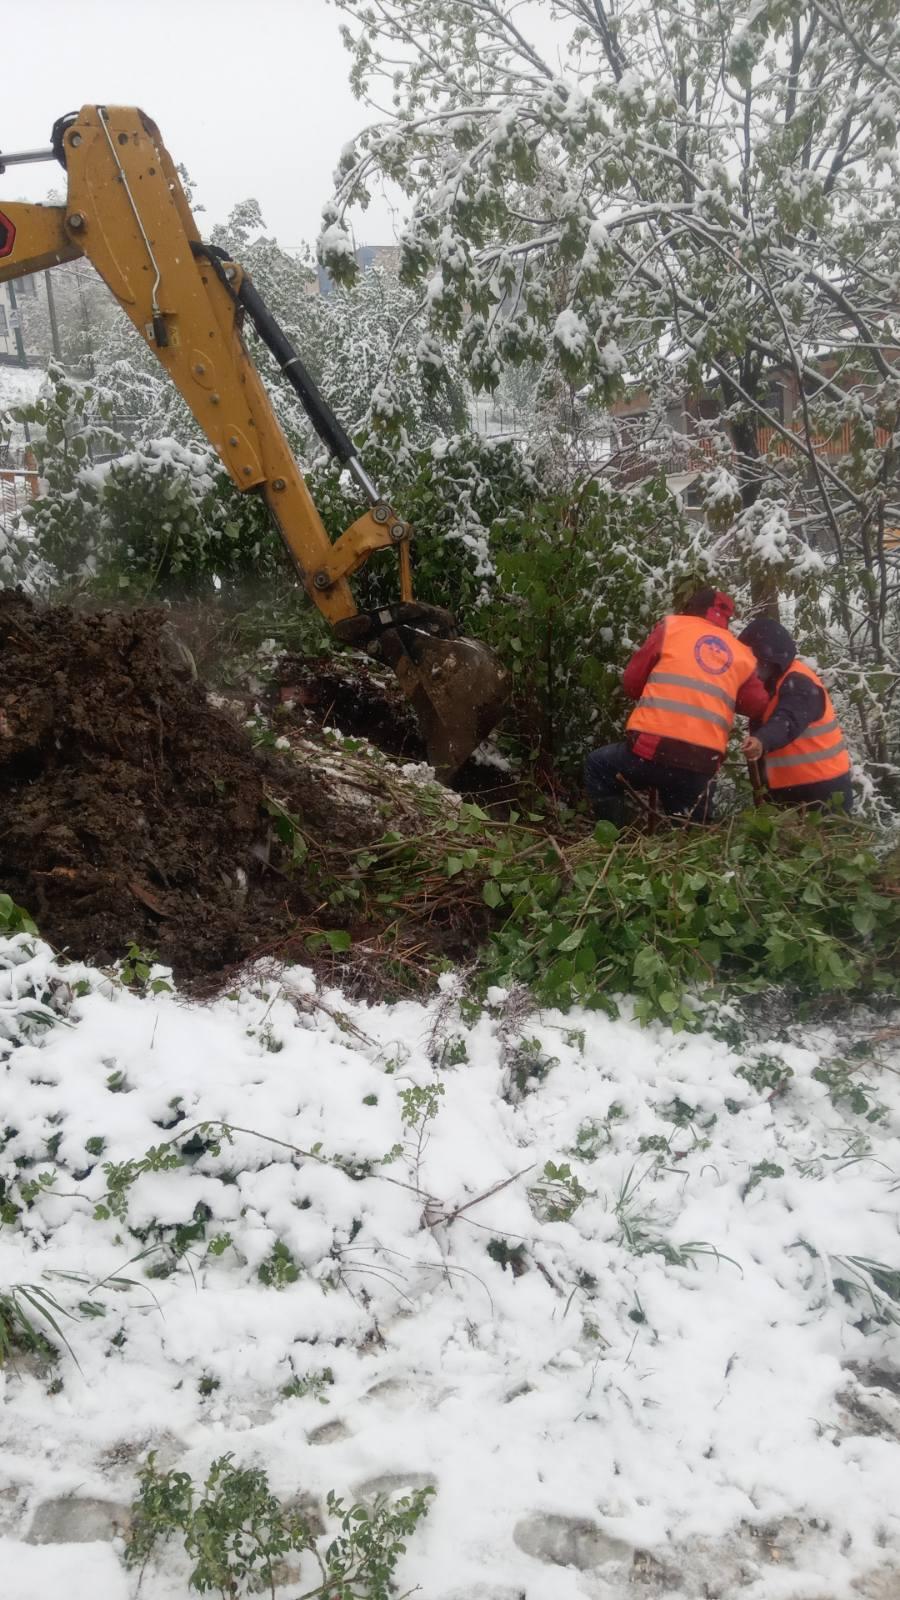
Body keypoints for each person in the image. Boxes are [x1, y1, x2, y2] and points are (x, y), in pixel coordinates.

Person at [585, 588, 769, 825]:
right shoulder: (742, 654)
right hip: (702, 763)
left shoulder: (672, 627)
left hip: (651, 751)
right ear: (726, 619)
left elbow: (632, 682)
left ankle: (614, 843)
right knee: (690, 832)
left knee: (598, 766)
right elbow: (756, 705)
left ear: (691, 608)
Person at [738, 618, 853, 812]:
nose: (752, 668)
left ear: (769, 658)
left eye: (754, 660)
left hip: (822, 796)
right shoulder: (775, 684)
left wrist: (761, 740)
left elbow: (787, 720)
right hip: (795, 794)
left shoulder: (798, 682)